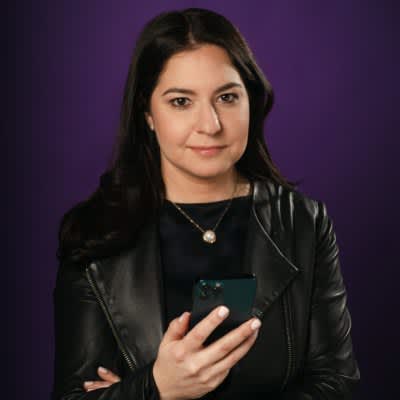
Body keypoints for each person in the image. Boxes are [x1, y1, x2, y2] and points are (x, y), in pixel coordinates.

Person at [51, 7, 360, 400]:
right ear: (147, 113)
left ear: (251, 101)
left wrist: (136, 392)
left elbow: (336, 384)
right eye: (181, 101)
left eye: (227, 97)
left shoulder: (303, 222)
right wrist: (157, 386)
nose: (210, 125)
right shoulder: (96, 232)